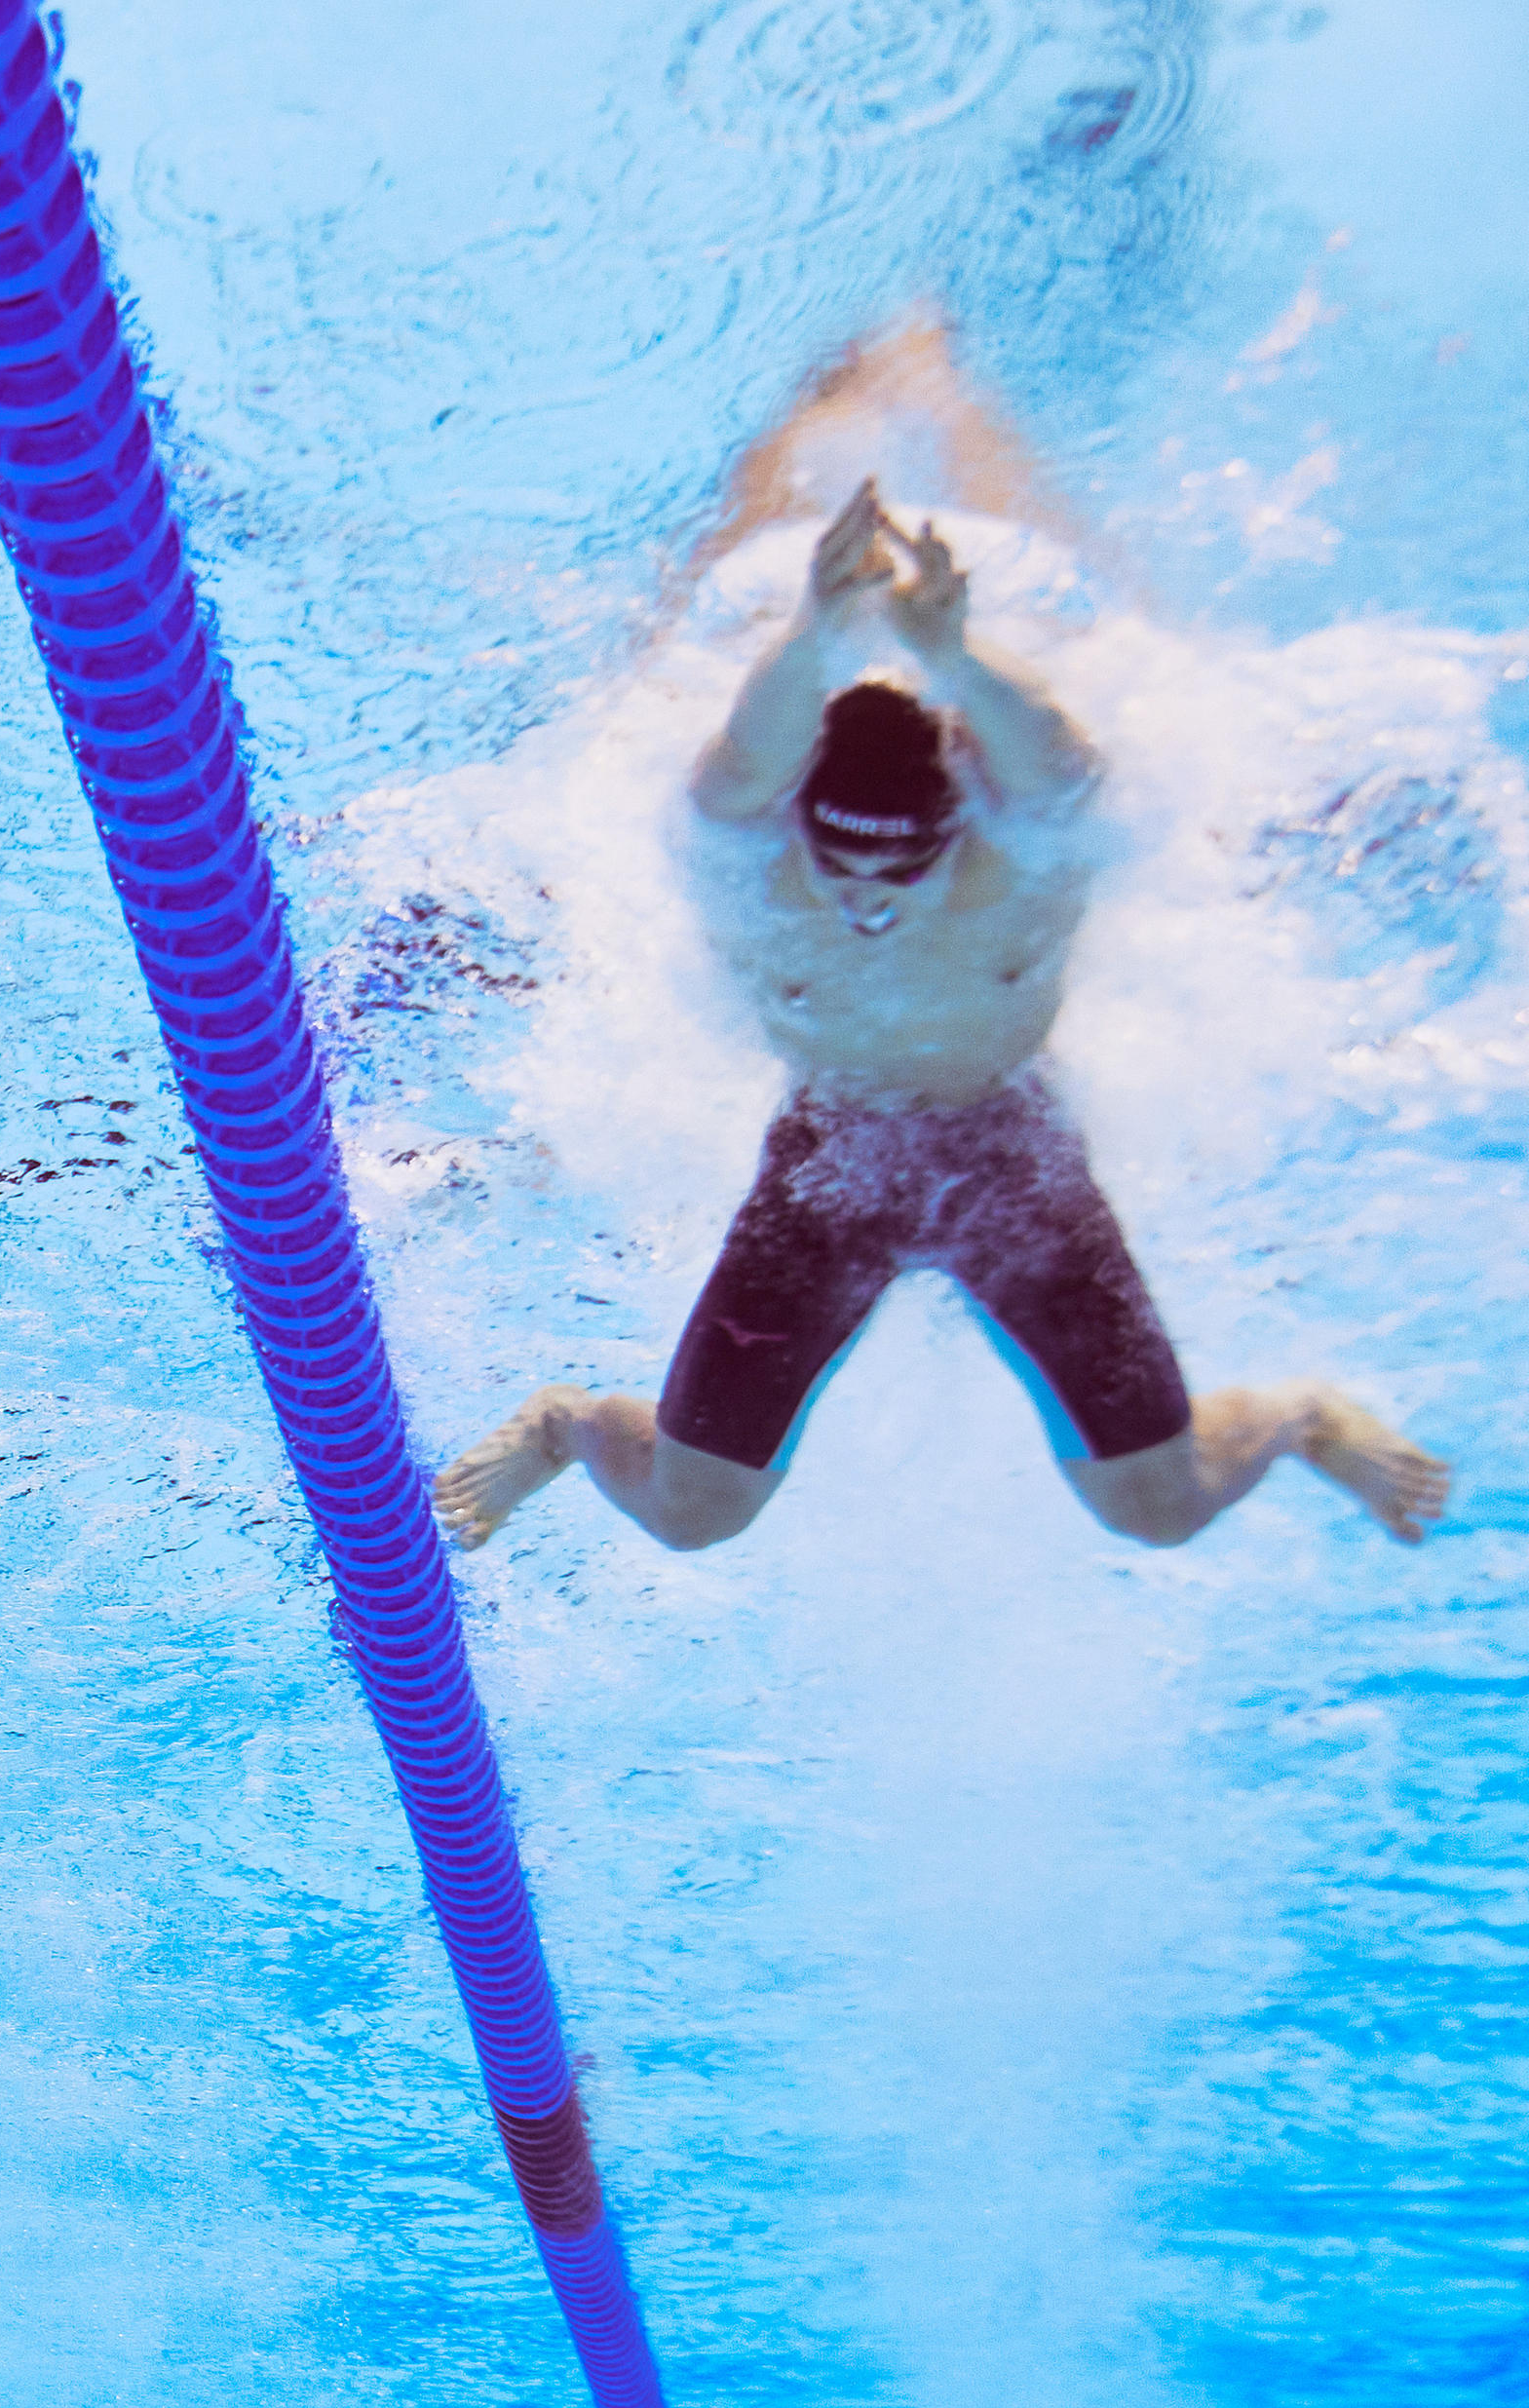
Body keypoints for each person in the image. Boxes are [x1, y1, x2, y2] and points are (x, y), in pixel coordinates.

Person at [433, 339, 1450, 1558]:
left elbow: (1058, 759)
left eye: (902, 868)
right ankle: (560, 1426)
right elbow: (745, 761)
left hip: (1014, 1163)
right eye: (839, 865)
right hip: (827, 1173)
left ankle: (1296, 1418)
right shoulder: (746, 843)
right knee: (691, 1518)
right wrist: (813, 632)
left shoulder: (1026, 848)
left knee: (1159, 1511)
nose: (867, 901)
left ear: (956, 819)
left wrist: (956, 652)